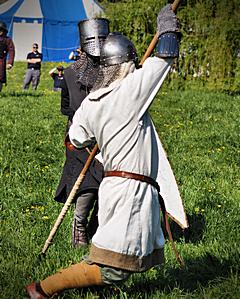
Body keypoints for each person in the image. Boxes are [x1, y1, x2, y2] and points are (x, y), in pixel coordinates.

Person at [26, 5, 187, 298]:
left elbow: (74, 139)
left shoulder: (91, 103)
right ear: (126, 64)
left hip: (115, 187)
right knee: (113, 268)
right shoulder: (131, 91)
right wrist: (167, 24)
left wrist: (106, 130)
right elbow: (165, 57)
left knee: (121, 258)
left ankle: (89, 287)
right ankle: (43, 289)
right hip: (129, 192)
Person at [54, 18, 109, 247]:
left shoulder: (114, 70)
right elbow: (67, 107)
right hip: (80, 137)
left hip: (109, 135)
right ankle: (79, 227)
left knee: (109, 185)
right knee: (87, 184)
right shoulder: (70, 73)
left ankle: (99, 226)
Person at [0, 21, 15, 92]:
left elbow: (11, 51)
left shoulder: (7, 40)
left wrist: (10, 63)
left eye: (1, 29)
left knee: (0, 78)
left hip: (1, 62)